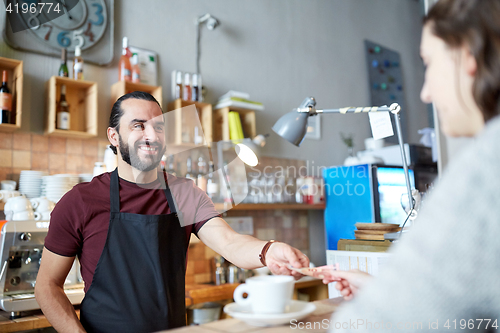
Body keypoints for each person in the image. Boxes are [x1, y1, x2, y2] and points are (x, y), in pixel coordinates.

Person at [34, 91, 309, 333]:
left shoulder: (185, 194)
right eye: (138, 126)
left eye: (158, 127)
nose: (151, 135)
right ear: (114, 136)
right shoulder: (80, 201)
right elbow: (47, 286)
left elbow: (229, 242)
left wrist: (269, 250)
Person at [314, 0, 500, 331]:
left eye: (429, 63)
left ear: (466, 56)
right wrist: (381, 288)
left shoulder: (484, 168)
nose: (426, 93)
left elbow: (379, 325)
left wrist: (383, 302)